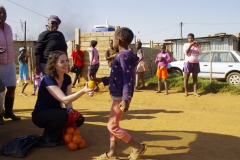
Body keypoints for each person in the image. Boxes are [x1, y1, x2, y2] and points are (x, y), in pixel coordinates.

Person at [94, 27, 147, 160]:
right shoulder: (125, 56)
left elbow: (127, 78)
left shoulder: (123, 56)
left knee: (111, 126)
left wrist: (125, 98)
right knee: (114, 125)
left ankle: (138, 147)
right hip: (119, 95)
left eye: (112, 40)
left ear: (118, 40)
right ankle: (112, 153)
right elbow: (117, 76)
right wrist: (103, 80)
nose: (112, 43)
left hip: (121, 97)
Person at [32, 51, 94, 145]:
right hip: (40, 115)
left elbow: (68, 100)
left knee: (78, 118)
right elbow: (64, 99)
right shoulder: (48, 79)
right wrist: (83, 91)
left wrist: (70, 110)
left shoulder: (67, 78)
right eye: (62, 62)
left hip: (56, 111)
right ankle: (48, 138)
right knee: (61, 116)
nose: (66, 64)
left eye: (66, 61)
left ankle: (62, 134)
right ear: (54, 65)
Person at [0, 5, 21, 120]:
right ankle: (0, 115)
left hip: (9, 62)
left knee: (12, 87)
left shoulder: (8, 28)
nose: (2, 15)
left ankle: (9, 112)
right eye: (0, 13)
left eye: (4, 13)